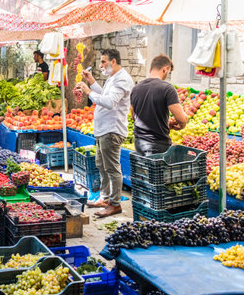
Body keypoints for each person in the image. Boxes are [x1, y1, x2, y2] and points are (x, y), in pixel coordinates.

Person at [76, 49, 133, 217]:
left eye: (103, 62)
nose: (100, 66)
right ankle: (105, 197)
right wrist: (92, 82)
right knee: (102, 165)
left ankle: (115, 204)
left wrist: (88, 91)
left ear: (113, 61)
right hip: (103, 130)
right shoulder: (113, 78)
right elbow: (103, 95)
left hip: (112, 130)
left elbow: (109, 102)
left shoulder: (122, 80)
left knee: (112, 168)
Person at [130, 54, 188, 156]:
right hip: (157, 145)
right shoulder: (167, 88)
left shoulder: (136, 88)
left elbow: (134, 116)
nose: (167, 76)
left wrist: (161, 122)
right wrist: (181, 125)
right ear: (165, 69)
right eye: (168, 73)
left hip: (139, 143)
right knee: (157, 171)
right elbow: (181, 119)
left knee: (143, 171)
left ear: (150, 70)